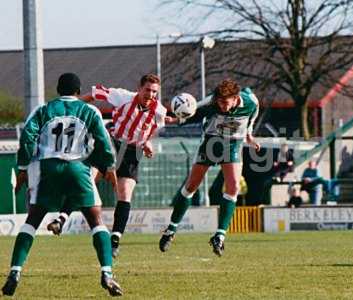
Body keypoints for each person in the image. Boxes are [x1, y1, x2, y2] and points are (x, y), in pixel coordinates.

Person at [1, 73, 122, 296]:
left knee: (33, 220)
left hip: (49, 169)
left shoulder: (42, 110)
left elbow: (27, 137)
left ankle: (15, 272)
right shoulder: (89, 111)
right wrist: (109, 168)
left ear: (58, 89)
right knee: (96, 220)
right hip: (77, 168)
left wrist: (22, 169)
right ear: (78, 91)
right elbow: (104, 142)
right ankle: (107, 273)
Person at [47, 74, 170, 258]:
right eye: (147, 90)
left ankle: (115, 240)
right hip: (112, 143)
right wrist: (73, 106)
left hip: (132, 153)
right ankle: (61, 218)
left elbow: (149, 131)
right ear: (139, 88)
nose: (150, 94)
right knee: (89, 180)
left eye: (154, 92)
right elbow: (95, 93)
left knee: (125, 193)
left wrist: (146, 143)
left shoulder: (159, 111)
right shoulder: (123, 97)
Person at [159, 78, 260, 256]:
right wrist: (174, 120)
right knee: (191, 186)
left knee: (234, 186)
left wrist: (249, 135)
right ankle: (171, 229)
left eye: (225, 102)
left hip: (233, 143)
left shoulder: (251, 102)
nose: (221, 106)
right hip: (211, 142)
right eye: (219, 102)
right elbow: (192, 111)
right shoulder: (212, 101)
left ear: (236, 98)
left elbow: (253, 115)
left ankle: (219, 236)